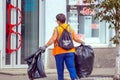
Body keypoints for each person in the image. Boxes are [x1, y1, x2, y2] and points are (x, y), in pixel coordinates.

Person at [40, 13, 84, 80]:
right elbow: (75, 38)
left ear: (58, 21)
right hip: (70, 51)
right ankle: (74, 78)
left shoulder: (57, 29)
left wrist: (45, 46)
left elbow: (53, 39)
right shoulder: (70, 27)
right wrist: (82, 42)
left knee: (60, 69)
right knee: (71, 67)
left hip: (59, 52)